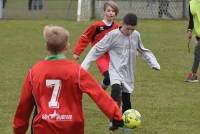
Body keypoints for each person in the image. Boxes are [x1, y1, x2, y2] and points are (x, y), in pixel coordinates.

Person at [13, 25, 123, 134]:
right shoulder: (77, 70)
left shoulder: (34, 71)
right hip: (72, 127)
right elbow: (98, 94)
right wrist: (115, 115)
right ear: (67, 46)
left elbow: (24, 104)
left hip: (44, 127)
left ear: (46, 46)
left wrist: (19, 129)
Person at [81, 13, 160, 130]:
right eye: (128, 28)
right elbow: (96, 50)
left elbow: (144, 50)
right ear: (123, 24)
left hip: (129, 72)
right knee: (116, 90)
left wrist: (154, 63)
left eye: (132, 29)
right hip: (115, 70)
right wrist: (83, 67)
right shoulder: (113, 35)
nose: (129, 32)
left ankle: (126, 124)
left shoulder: (136, 35)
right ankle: (113, 120)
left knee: (126, 99)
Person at [73, 0, 119, 90]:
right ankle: (75, 82)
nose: (111, 13)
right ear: (104, 12)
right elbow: (85, 38)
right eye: (109, 10)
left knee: (113, 79)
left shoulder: (117, 27)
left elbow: (123, 39)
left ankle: (101, 89)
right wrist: (77, 52)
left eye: (113, 11)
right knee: (109, 76)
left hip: (112, 56)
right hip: (100, 55)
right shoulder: (97, 26)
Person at [185, 0, 200, 82]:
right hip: (198, 35)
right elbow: (192, 20)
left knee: (197, 51)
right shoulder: (192, 4)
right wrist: (190, 30)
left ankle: (193, 75)